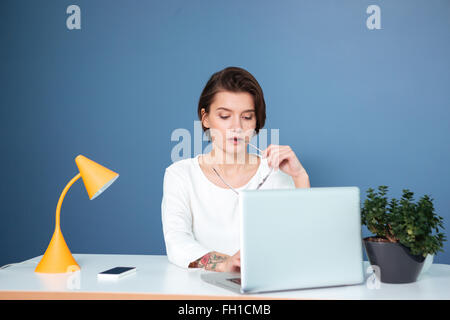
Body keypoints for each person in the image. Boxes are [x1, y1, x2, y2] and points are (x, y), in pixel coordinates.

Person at [161, 66, 310, 272]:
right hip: (199, 292)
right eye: (224, 116)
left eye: (247, 117)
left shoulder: (276, 171)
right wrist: (225, 263)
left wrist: (300, 177)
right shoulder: (180, 175)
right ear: (205, 118)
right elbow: (177, 242)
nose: (237, 127)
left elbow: (304, 241)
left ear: (257, 120)